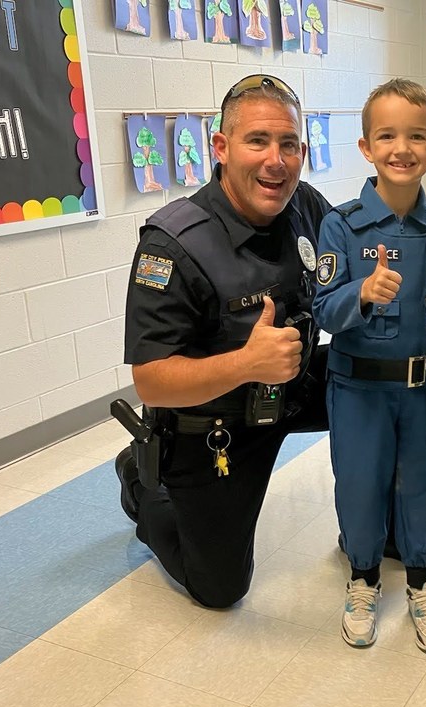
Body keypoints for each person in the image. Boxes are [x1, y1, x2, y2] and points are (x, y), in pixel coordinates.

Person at [114, 74, 331, 608]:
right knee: (219, 589)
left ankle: (385, 529)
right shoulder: (173, 245)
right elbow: (152, 381)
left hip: (294, 387)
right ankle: (141, 486)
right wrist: (245, 364)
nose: (275, 161)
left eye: (288, 144)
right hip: (217, 422)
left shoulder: (306, 205)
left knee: (395, 379)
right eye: (257, 141)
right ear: (221, 147)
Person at [312, 79, 426, 651]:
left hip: (424, 390)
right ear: (365, 147)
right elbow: (323, 308)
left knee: (425, 483)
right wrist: (364, 293)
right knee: (360, 483)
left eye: (417, 136)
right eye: (387, 136)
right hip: (358, 390)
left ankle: (424, 582)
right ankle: (363, 578)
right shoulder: (341, 225)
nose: (402, 148)